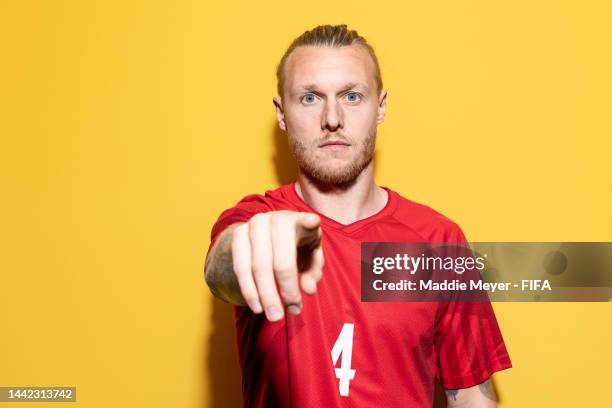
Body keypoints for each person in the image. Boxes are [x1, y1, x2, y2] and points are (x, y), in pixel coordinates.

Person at [204, 24, 512, 407]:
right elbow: (221, 268)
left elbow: (472, 399)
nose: (332, 118)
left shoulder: (438, 241)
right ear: (282, 113)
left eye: (351, 96)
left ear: (380, 106)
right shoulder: (257, 218)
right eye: (310, 98)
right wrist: (250, 244)